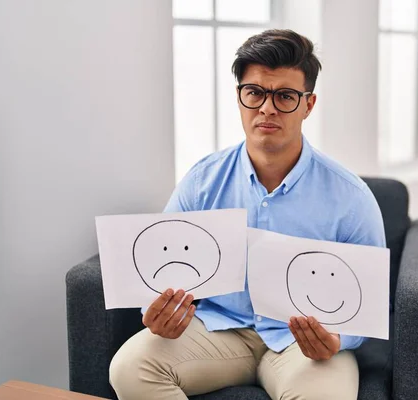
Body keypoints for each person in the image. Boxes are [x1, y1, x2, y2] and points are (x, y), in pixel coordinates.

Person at [109, 29, 386, 400]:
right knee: (129, 369)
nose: (267, 108)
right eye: (254, 92)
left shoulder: (351, 198)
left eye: (285, 96)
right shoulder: (202, 181)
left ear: (308, 104)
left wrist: (338, 338)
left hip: (301, 343)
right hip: (217, 330)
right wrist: (158, 311)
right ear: (240, 97)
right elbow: (157, 276)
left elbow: (369, 306)